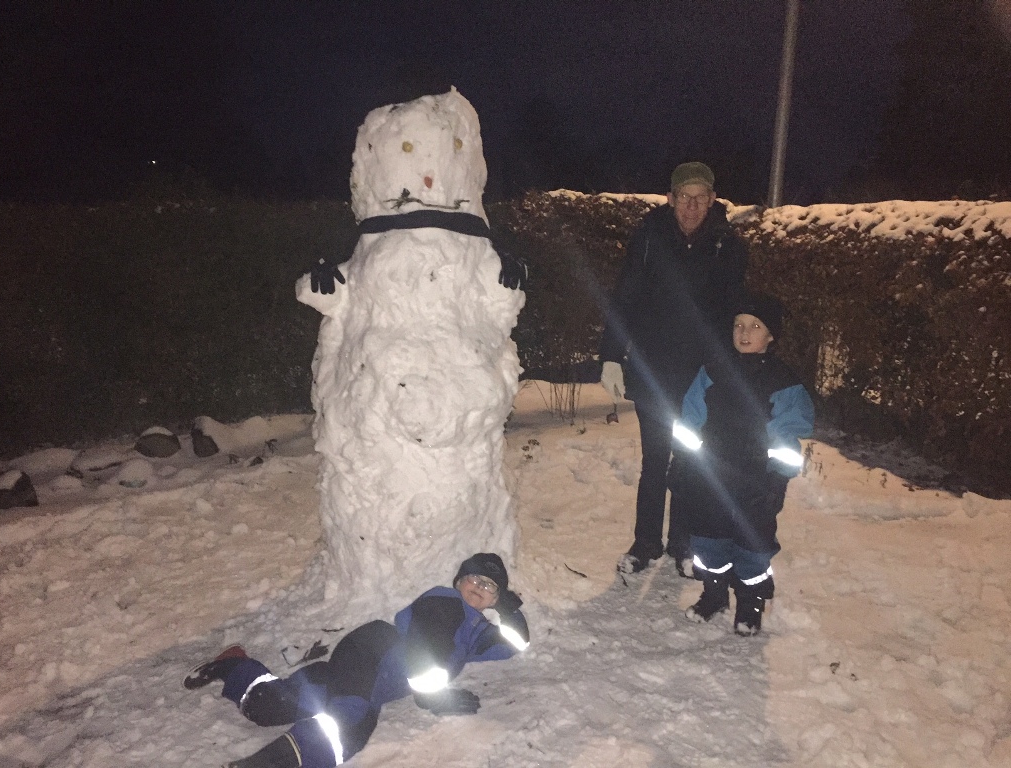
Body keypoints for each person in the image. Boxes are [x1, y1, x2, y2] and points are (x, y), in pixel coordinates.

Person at [183, 553, 529, 767]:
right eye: (474, 578)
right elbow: (425, 650)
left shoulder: (474, 633)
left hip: (365, 676)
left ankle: (234, 664)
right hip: (370, 653)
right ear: (458, 581)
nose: (479, 587)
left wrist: (509, 610)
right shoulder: (444, 603)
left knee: (267, 706)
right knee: (349, 722)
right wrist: (433, 697)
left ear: (493, 600)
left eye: (490, 586)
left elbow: (516, 644)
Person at [599, 161, 748, 576]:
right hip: (652, 370)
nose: (692, 206)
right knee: (654, 461)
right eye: (685, 197)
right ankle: (646, 542)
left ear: (712, 200)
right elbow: (625, 297)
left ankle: (683, 542)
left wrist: (737, 367)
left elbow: (735, 310)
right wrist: (611, 354)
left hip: (701, 377)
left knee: (689, 460)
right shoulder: (649, 238)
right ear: (671, 198)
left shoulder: (728, 246)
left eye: (700, 198)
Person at [669, 293, 814, 636]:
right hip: (710, 474)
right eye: (739, 325)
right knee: (708, 538)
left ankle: (750, 602)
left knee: (753, 544)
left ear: (771, 335)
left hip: (756, 479)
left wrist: (777, 479)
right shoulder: (712, 371)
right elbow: (690, 420)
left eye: (755, 326)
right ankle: (714, 594)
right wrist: (684, 461)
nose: (744, 333)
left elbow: (788, 435)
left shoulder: (783, 381)